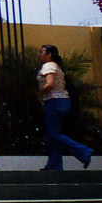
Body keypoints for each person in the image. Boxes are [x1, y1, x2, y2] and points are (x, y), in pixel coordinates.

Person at [36, 43, 92, 171]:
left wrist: (40, 94)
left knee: (53, 134)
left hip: (54, 102)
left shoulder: (48, 65)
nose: (38, 55)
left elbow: (50, 84)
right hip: (61, 101)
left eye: (41, 52)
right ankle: (54, 165)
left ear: (49, 55)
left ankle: (84, 151)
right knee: (53, 135)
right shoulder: (56, 66)